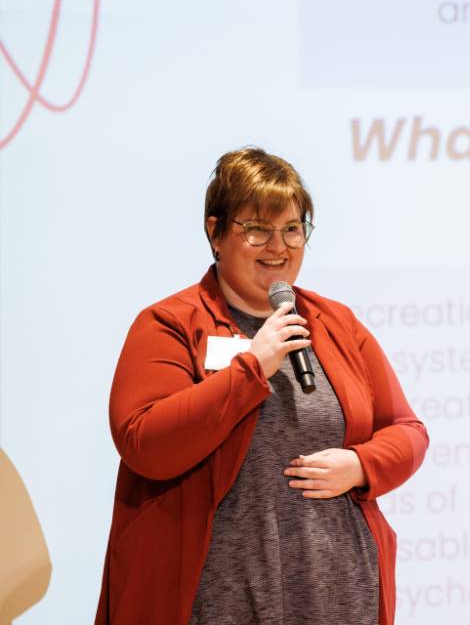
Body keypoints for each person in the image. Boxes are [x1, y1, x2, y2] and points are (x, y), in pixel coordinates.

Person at [95, 147, 428, 624]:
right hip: (215, 601)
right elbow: (145, 443)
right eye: (257, 229)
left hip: (336, 595)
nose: (279, 247)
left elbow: (407, 430)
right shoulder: (169, 324)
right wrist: (251, 368)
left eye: (292, 229)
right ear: (215, 232)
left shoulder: (335, 323)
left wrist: (361, 464)